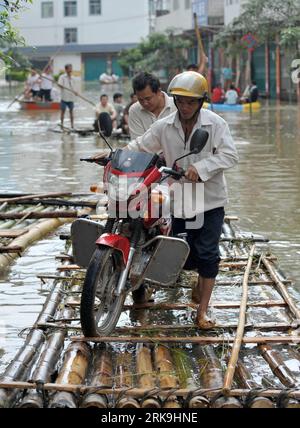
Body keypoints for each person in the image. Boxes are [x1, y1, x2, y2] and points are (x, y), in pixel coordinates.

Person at [93, 72, 239, 327]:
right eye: (180, 101)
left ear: (201, 102)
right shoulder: (165, 126)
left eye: (190, 102)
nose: (184, 107)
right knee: (185, 256)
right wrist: (111, 155)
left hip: (209, 200)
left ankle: (202, 312)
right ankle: (197, 281)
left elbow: (230, 156)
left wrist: (202, 167)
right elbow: (140, 145)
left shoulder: (216, 124)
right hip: (180, 198)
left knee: (207, 254)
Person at [128, 72, 176, 139]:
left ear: (158, 91)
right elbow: (137, 144)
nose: (145, 103)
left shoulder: (176, 106)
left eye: (148, 98)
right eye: (140, 100)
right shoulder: (135, 111)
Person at [58, 64, 78, 129]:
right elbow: (59, 85)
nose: (71, 70)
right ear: (66, 69)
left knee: (71, 112)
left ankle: (72, 126)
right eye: (69, 68)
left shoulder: (73, 78)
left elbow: (75, 87)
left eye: (71, 68)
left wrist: (76, 92)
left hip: (71, 98)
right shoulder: (62, 77)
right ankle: (62, 124)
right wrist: (62, 85)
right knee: (63, 111)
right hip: (64, 97)